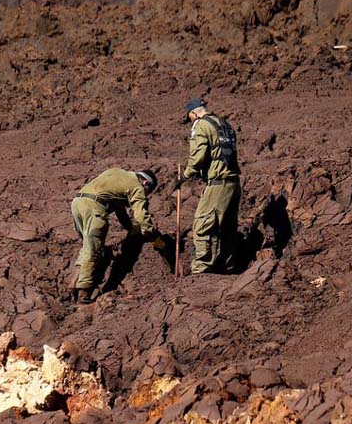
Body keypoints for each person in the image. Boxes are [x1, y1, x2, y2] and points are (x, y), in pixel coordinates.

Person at [71, 168, 165, 304]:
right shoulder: (136, 186)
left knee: (87, 247)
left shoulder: (117, 174)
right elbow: (141, 215)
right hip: (94, 208)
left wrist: (130, 229)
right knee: (93, 251)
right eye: (147, 191)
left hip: (77, 203)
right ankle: (83, 293)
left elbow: (121, 212)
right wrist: (151, 235)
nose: (145, 194)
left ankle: (72, 286)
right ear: (145, 182)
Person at [175, 98, 241, 274]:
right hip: (234, 183)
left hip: (218, 184)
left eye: (190, 118)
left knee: (202, 225)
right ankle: (228, 266)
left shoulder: (201, 125)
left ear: (194, 113)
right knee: (227, 227)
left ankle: (201, 269)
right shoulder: (223, 123)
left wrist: (184, 176)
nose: (191, 121)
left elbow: (197, 157)